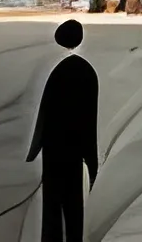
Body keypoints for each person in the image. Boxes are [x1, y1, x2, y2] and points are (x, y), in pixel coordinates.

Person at [26, 18, 99, 242]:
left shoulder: (57, 71)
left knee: (53, 200)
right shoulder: (87, 71)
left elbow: (45, 112)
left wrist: (36, 146)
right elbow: (90, 117)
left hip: (54, 146)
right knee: (73, 199)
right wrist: (91, 157)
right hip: (75, 147)